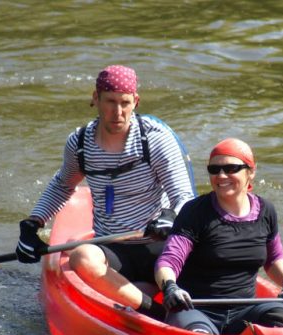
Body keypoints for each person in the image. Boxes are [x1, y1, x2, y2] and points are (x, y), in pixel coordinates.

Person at [16, 65, 196, 319]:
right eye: (110, 101)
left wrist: (170, 215)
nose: (118, 112)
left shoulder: (155, 140)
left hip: (160, 246)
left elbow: (185, 198)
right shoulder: (79, 144)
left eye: (125, 103)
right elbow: (62, 185)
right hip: (112, 249)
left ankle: (140, 295)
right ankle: (151, 310)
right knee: (81, 257)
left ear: (136, 102)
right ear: (95, 98)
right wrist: (33, 223)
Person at [154, 138, 283, 335]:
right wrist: (170, 287)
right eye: (214, 169)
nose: (221, 175)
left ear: (251, 171)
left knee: (282, 315)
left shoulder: (266, 211)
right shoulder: (194, 212)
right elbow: (168, 261)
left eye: (231, 168)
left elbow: (274, 258)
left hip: (245, 310)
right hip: (196, 310)